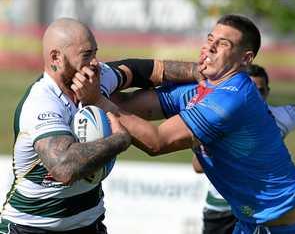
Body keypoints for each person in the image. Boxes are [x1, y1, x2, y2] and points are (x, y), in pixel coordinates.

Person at [93, 14, 295, 233]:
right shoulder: (198, 90)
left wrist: (94, 98)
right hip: (251, 226)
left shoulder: (232, 98)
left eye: (223, 44)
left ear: (245, 59)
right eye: (210, 40)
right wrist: (91, 80)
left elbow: (157, 142)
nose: (210, 47)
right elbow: (128, 104)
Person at [0, 18, 200, 234]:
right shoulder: (41, 103)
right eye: (86, 55)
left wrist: (202, 73)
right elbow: (64, 168)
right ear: (55, 57)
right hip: (29, 228)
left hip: (90, 224)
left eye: (95, 53)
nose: (95, 62)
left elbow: (147, 70)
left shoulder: (93, 77)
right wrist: (119, 140)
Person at [191, 63, 295, 234]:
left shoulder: (281, 117)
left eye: (261, 91)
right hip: (224, 205)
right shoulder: (220, 120)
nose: (255, 96)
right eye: (250, 89)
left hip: (266, 206)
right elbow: (198, 167)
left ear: (268, 92)